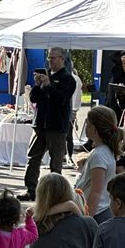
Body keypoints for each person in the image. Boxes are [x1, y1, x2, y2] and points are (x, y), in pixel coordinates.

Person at [17, 47, 76, 201]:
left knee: (55, 162)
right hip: (40, 125)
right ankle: (31, 190)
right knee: (33, 158)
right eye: (49, 58)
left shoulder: (67, 79)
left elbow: (61, 99)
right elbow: (34, 99)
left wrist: (49, 85)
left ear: (62, 59)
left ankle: (54, 195)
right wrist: (38, 85)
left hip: (56, 126)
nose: (50, 61)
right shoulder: (46, 77)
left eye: (53, 58)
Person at [75, 105, 125, 224]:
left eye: (88, 124)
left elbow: (96, 192)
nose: (85, 127)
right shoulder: (102, 151)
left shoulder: (99, 155)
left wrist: (88, 220)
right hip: (96, 211)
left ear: (95, 129)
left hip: (96, 213)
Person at [66, 68, 83, 167]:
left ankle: (68, 155)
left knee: (68, 134)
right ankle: (67, 155)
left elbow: (77, 95)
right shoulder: (76, 79)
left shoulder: (74, 79)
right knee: (68, 135)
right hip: (72, 109)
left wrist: (74, 109)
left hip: (69, 109)